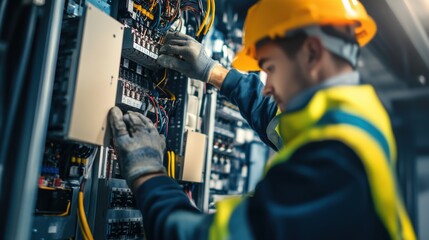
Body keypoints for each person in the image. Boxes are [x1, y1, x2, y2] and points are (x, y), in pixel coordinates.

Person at [108, 0, 416, 239]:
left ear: (311, 53)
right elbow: (278, 122)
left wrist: (148, 174)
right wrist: (214, 73)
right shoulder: (355, 117)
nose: (267, 85)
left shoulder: (335, 157)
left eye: (269, 67)